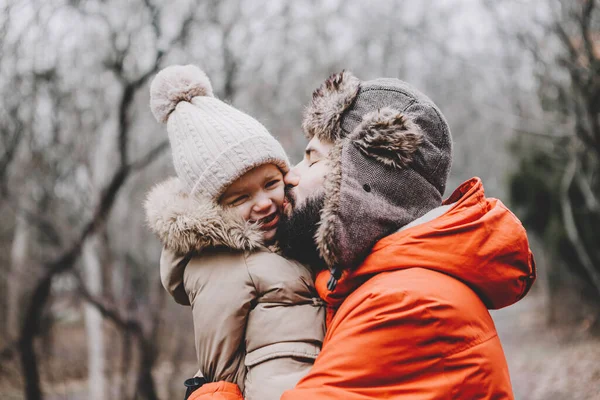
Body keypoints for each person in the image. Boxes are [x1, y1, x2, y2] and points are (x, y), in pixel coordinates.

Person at [188, 71, 536, 400]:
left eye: (311, 159)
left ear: (360, 180)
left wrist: (214, 389)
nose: (290, 176)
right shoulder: (379, 286)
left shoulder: (406, 304)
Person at [143, 65, 326, 400]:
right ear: (214, 209)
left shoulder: (290, 236)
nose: (263, 203)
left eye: (271, 183)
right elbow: (218, 368)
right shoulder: (221, 263)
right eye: (241, 198)